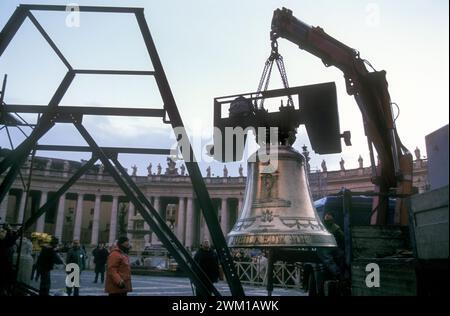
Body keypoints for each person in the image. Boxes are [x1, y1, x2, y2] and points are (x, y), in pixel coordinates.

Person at [317, 211, 345, 280]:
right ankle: (338, 273)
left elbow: (342, 237)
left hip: (332, 246)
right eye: (328, 220)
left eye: (330, 220)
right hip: (325, 246)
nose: (329, 221)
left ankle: (340, 273)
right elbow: (342, 237)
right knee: (329, 259)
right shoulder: (322, 226)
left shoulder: (334, 227)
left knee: (340, 256)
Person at [0, 224, 19, 296]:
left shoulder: (4, 240)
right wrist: (11, 231)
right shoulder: (5, 241)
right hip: (4, 263)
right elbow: (11, 239)